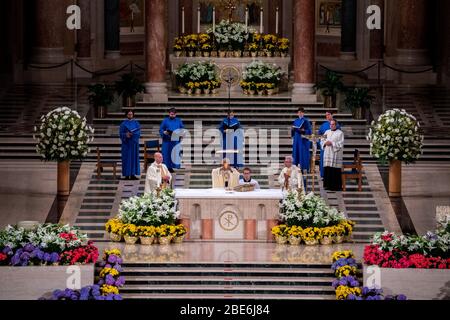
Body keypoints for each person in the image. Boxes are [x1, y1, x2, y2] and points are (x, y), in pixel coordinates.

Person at [321, 119, 344, 191]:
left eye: (333, 124)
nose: (332, 125)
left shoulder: (340, 133)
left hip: (335, 154)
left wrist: (332, 143)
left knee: (334, 170)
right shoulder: (326, 132)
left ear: (336, 125)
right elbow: (322, 140)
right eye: (331, 124)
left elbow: (341, 143)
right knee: (327, 169)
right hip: (327, 153)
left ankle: (335, 186)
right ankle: (327, 186)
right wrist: (325, 143)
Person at [160, 108, 184, 172]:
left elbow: (182, 129)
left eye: (173, 114)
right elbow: (161, 129)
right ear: (169, 114)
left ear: (175, 114)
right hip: (167, 141)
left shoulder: (179, 120)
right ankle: (167, 167)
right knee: (166, 154)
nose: (172, 115)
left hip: (175, 140)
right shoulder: (165, 120)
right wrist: (164, 132)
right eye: (171, 114)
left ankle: (172, 167)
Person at [318, 111, 341, 178]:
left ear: (332, 115)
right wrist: (322, 143)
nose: (327, 116)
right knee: (323, 160)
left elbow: (339, 136)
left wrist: (332, 143)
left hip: (332, 147)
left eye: (328, 115)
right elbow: (320, 135)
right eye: (326, 115)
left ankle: (331, 176)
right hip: (325, 146)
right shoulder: (323, 125)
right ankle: (323, 175)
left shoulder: (337, 124)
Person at [119, 109, 140, 180]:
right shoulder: (123, 124)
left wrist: (133, 134)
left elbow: (138, 133)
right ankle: (126, 175)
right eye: (129, 114)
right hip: (126, 144)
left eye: (131, 114)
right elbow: (120, 134)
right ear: (126, 115)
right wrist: (126, 135)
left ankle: (133, 174)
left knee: (134, 159)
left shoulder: (136, 123)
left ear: (133, 115)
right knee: (126, 159)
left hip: (134, 144)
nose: (130, 115)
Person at [292, 107, 312, 173]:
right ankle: (295, 167)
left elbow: (309, 131)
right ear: (297, 113)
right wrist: (293, 129)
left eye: (301, 112)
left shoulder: (306, 121)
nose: (300, 113)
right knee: (296, 153)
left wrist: (304, 131)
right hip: (296, 139)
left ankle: (304, 168)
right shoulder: (295, 120)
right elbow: (293, 130)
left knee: (302, 153)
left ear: (303, 113)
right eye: (299, 112)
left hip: (303, 140)